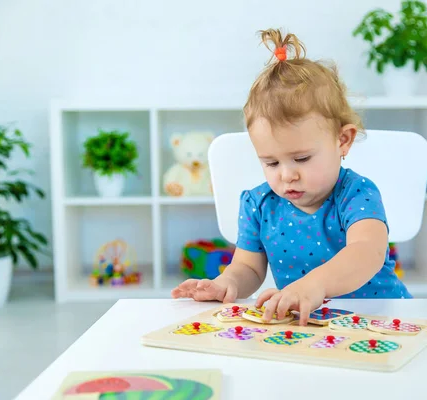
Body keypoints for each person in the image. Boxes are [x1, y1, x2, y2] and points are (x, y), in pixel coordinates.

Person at [171, 28, 412, 325]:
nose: (286, 175)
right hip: (307, 328)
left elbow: (367, 252)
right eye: (270, 162)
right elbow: (249, 268)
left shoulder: (356, 193)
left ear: (343, 141)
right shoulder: (258, 203)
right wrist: (227, 284)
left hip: (381, 322)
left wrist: (316, 284)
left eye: (301, 158)